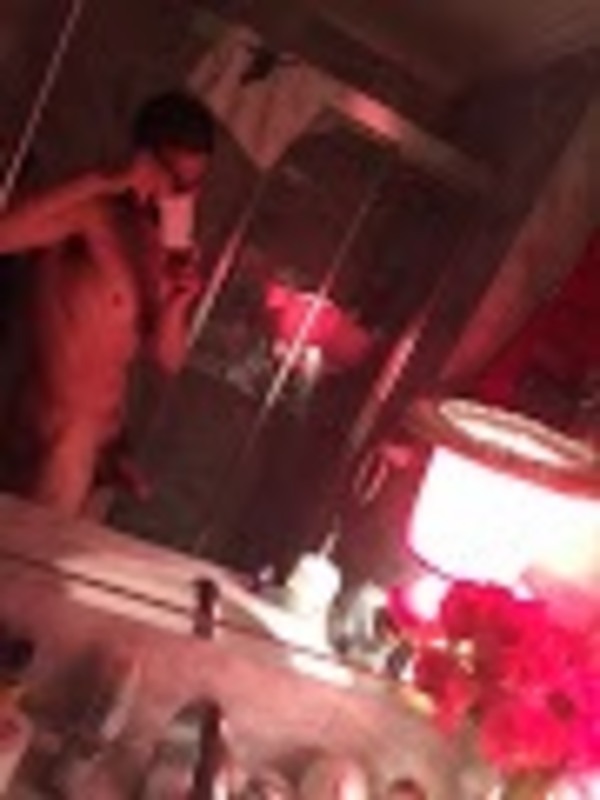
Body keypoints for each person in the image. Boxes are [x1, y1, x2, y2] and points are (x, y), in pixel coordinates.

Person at [0, 90, 216, 515]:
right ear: (143, 161)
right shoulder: (90, 214)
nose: (182, 198)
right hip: (54, 438)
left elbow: (167, 359)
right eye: (176, 182)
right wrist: (103, 178)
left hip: (106, 449)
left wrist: (178, 301)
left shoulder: (161, 250)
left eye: (194, 186)